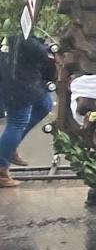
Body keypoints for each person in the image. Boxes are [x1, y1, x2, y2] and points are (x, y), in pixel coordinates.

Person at [1, 22, 55, 189]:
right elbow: (38, 52)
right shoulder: (18, 30)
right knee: (18, 121)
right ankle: (1, 168)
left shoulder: (18, 24)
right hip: (18, 82)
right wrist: (49, 48)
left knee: (44, 104)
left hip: (26, 77)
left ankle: (9, 148)